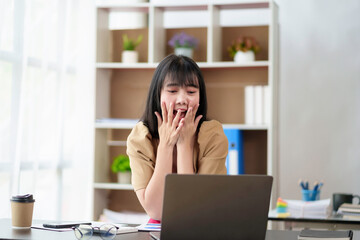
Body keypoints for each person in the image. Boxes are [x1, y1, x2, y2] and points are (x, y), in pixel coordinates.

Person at [126, 54, 228, 222]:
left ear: (200, 97)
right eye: (172, 91)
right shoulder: (140, 138)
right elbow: (156, 211)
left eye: (191, 91)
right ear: (157, 95)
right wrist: (166, 144)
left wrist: (184, 144)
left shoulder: (213, 135)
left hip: (201, 224)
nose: (182, 100)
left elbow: (193, 209)